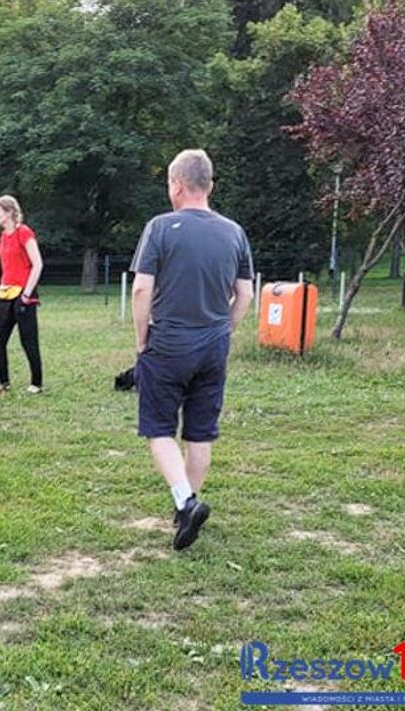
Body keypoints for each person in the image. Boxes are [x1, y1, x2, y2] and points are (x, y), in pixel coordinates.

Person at [130, 149, 253, 551]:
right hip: (214, 345)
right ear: (210, 186)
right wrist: (225, 330)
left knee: (159, 429)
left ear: (176, 185)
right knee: (200, 433)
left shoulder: (161, 227)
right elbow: (246, 293)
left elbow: (142, 287)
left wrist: (141, 339)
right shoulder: (234, 232)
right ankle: (186, 509)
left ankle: (185, 502)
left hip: (167, 344)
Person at [0, 195, 44, 394]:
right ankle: (3, 382)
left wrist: (26, 295)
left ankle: (36, 383)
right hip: (6, 293)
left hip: (24, 294)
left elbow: (37, 264)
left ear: (9, 212)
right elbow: (8, 267)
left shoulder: (24, 232)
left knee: (28, 340)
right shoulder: (3, 236)